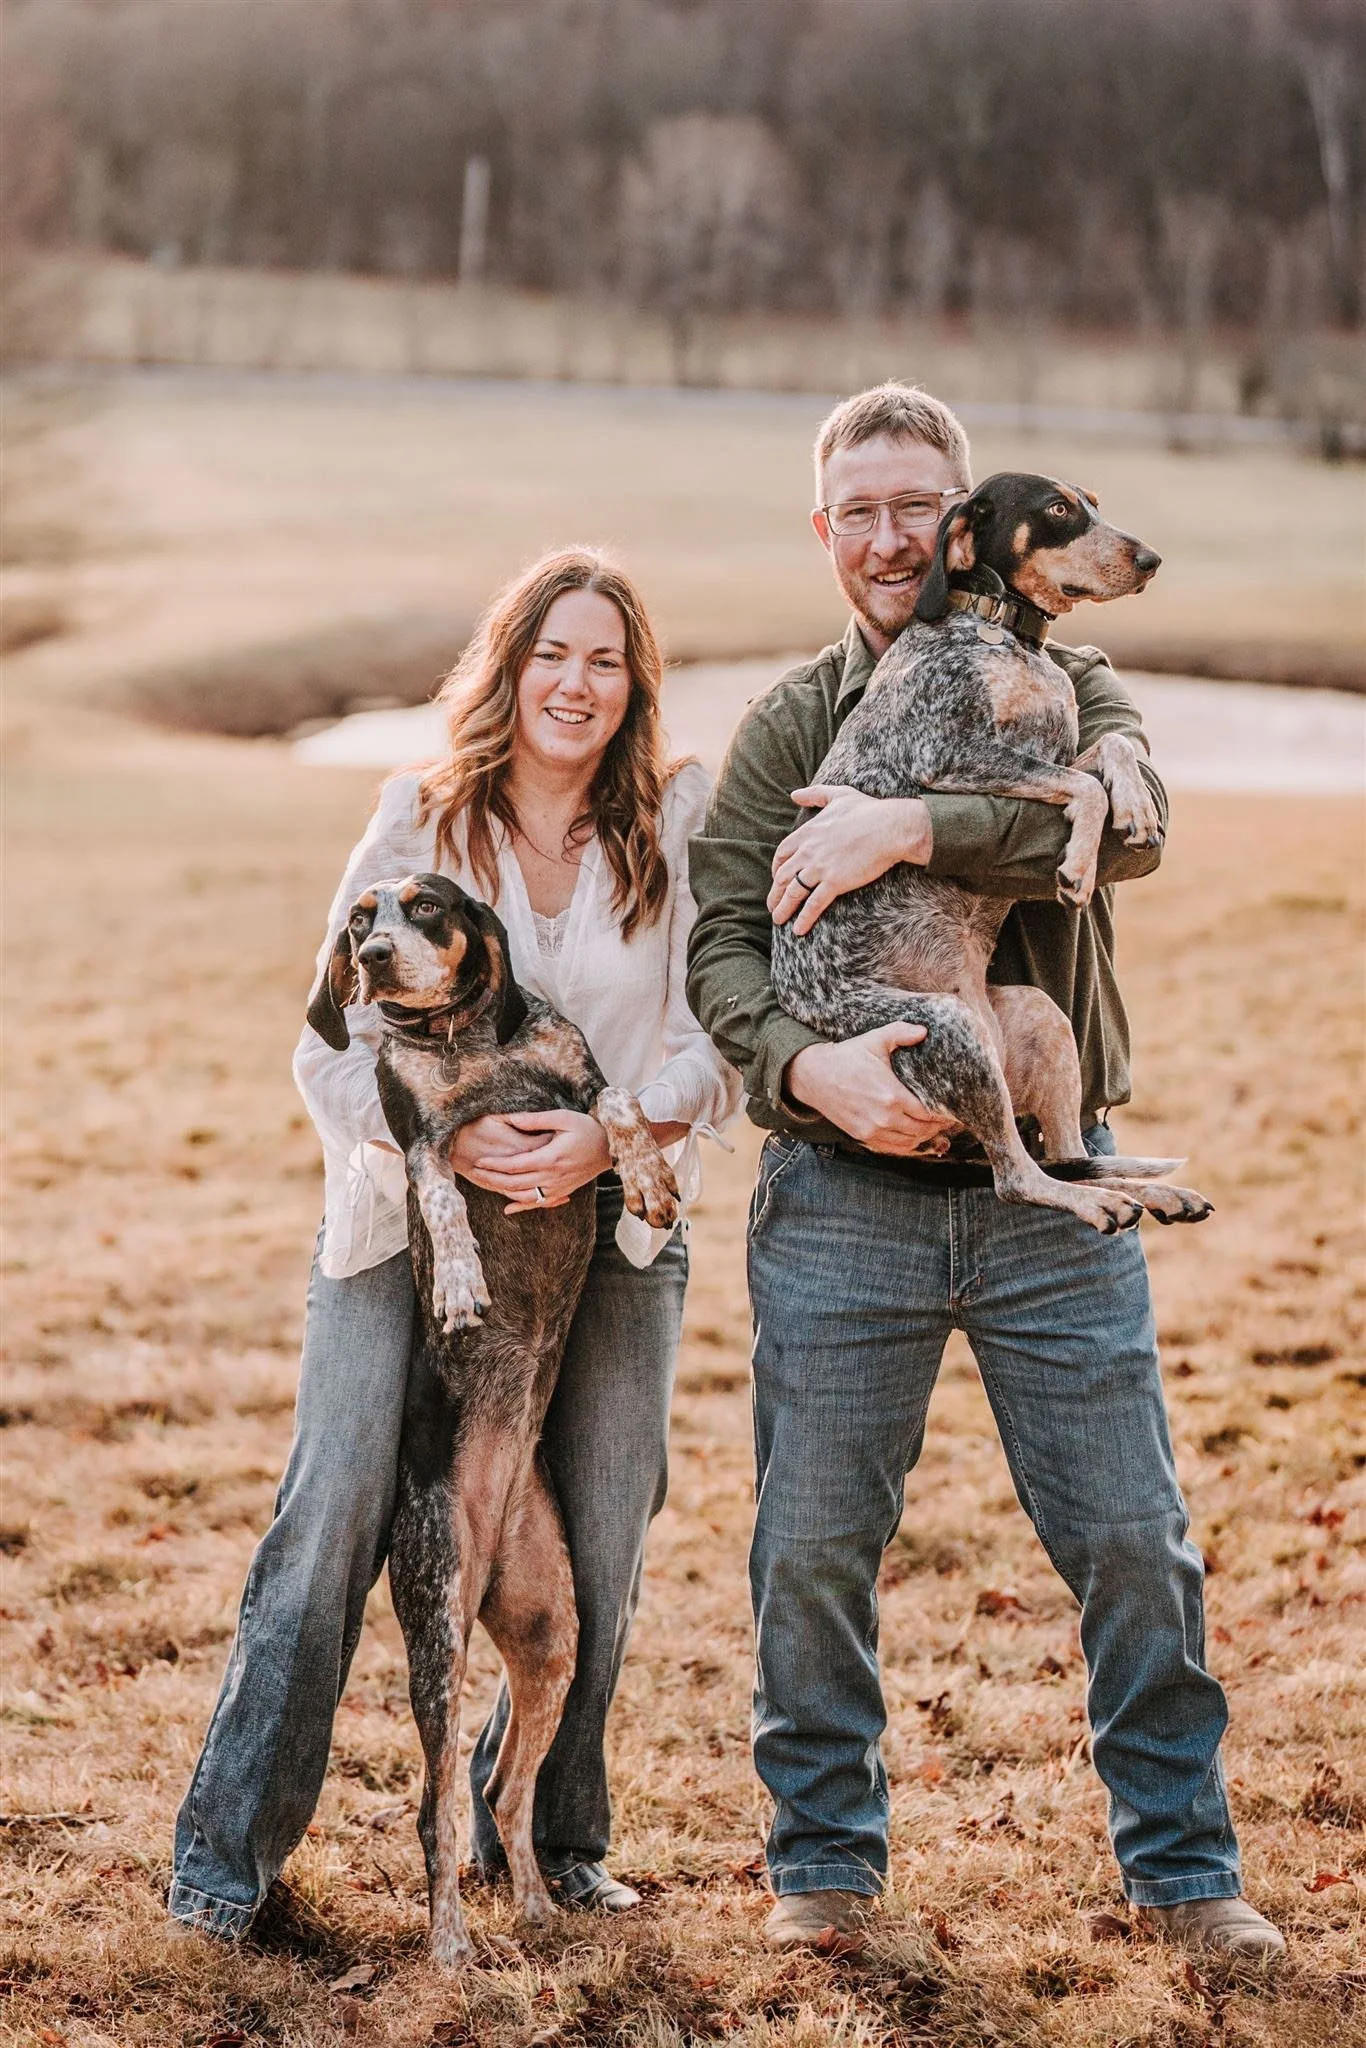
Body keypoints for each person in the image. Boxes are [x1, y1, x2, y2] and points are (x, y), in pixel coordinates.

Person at [686, 383, 1284, 1959]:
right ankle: (823, 1870)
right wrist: (799, 1067)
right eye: (859, 512)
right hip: (842, 1198)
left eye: (915, 507)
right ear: (826, 532)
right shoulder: (788, 723)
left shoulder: (1064, 667)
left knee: (1132, 1543)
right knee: (812, 1554)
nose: (889, 539)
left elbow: (1128, 832)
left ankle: (1184, 1875)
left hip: (1048, 1199)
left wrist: (908, 828)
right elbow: (722, 942)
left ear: (964, 527)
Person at [170, 548, 740, 1937]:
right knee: (333, 1513)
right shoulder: (417, 816)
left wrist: (609, 1136)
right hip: (404, 1230)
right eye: (552, 654)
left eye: (606, 660)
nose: (576, 684)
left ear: (636, 685)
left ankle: (546, 1836)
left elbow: (713, 1031)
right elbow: (326, 1042)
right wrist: (441, 1145)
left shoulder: (674, 818)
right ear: (508, 668)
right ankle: (224, 1871)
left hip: (608, 1227)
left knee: (601, 1527)